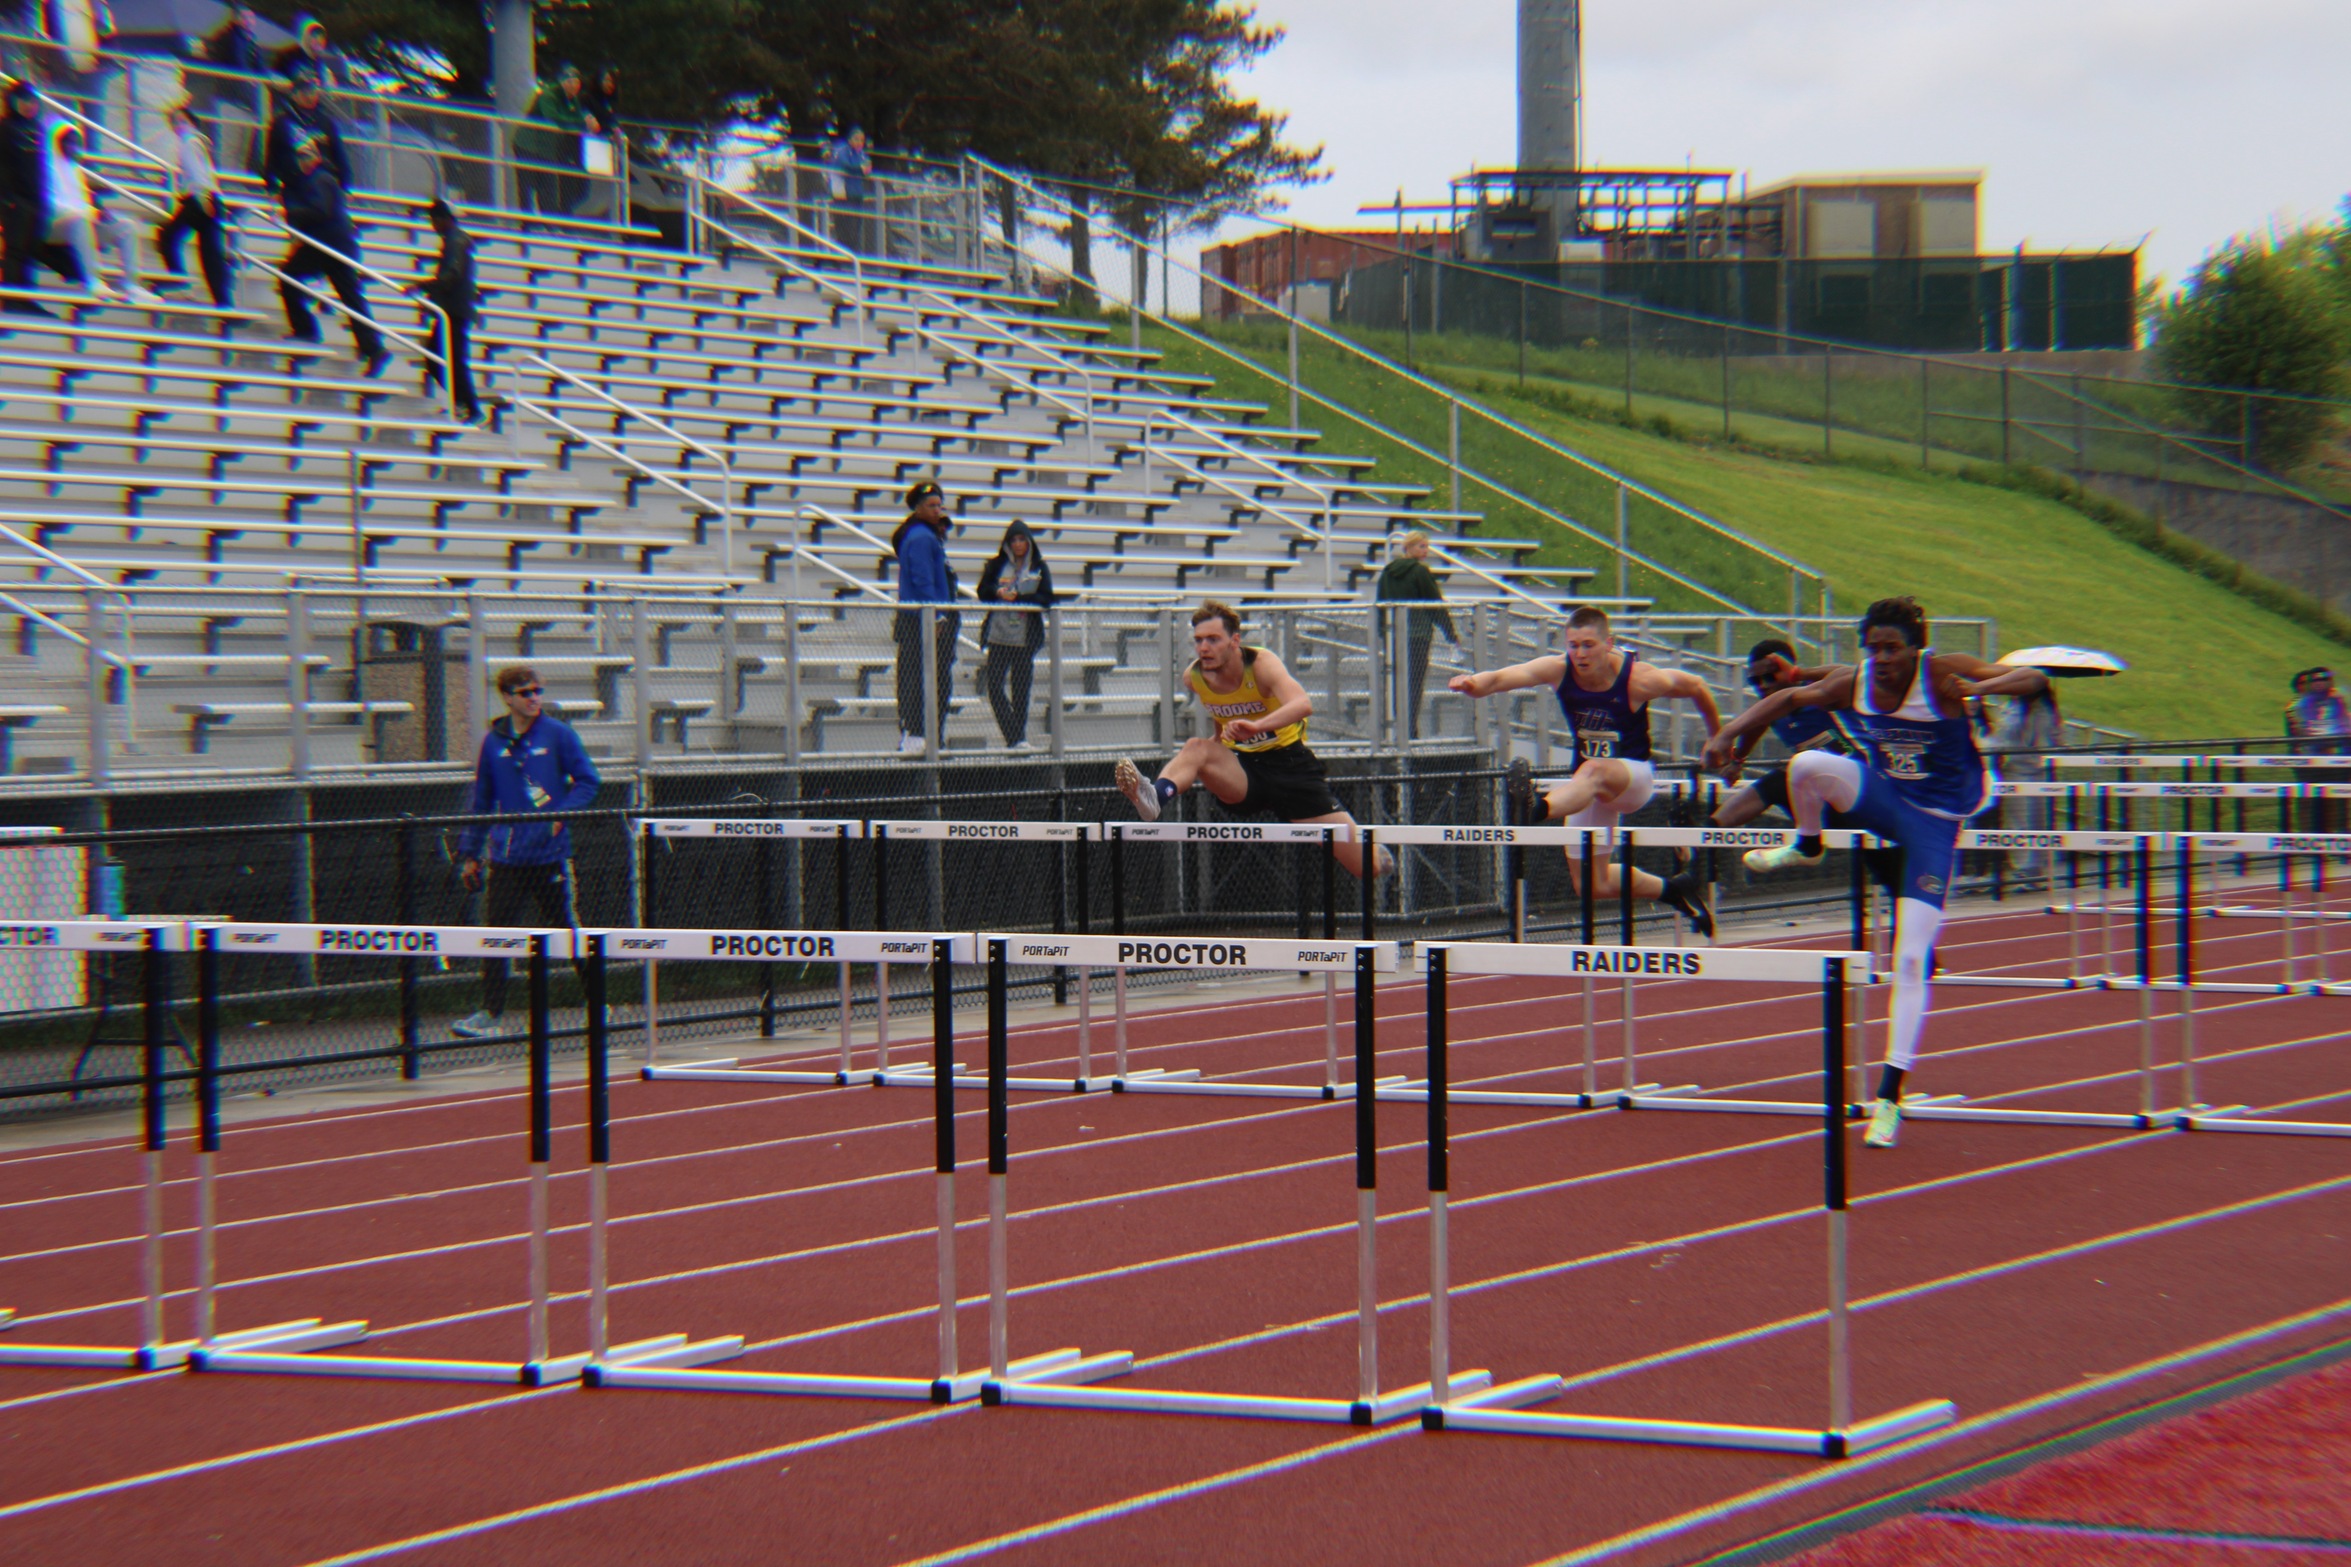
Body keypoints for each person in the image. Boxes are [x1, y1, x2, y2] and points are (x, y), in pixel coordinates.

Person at [1702, 596, 2048, 1149]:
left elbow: (2029, 677)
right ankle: (1809, 843)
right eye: (1874, 648)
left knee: (1910, 958)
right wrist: (1725, 735)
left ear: (1917, 647)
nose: (1882, 658)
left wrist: (1983, 691)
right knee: (1808, 765)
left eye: (1893, 648)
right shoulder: (1856, 681)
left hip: (1936, 821)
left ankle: (1889, 1097)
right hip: (1886, 796)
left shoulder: (1941, 673)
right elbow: (1792, 696)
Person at [1446, 604, 1721, 936]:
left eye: (1588, 645)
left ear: (1609, 643)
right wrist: (1475, 684)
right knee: (1592, 884)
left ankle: (1536, 806)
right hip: (1586, 787)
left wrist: (1717, 738)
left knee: (1593, 771)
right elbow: (1507, 676)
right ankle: (1674, 889)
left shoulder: (1638, 678)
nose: (1580, 654)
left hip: (1633, 777)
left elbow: (1697, 686)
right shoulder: (1559, 669)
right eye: (1573, 645)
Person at [1112, 601, 1394, 882]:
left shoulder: (1261, 664)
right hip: (1245, 772)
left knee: (1367, 867)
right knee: (1196, 747)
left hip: (1291, 770)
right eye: (1198, 640)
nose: (1203, 648)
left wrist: (1256, 726)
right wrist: (1216, 747)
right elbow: (1220, 718)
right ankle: (1154, 797)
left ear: (1235, 641)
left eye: (1213, 639)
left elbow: (1302, 704)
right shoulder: (1195, 677)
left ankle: (1376, 855)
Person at [451, 666, 600, 1039]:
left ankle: (597, 1002)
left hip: (549, 855)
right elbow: (482, 799)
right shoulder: (493, 741)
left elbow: (587, 781)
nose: (534, 698)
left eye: (538, 691)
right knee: (497, 934)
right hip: (506, 857)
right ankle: (490, 1012)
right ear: (507, 697)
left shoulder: (558, 734)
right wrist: (470, 852)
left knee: (564, 927)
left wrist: (560, 815)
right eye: (525, 692)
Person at [267, 76, 385, 374]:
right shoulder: (316, 176)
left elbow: (319, 209)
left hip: (328, 244)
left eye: (306, 155)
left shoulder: (321, 178)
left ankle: (327, 336)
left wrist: (289, 213)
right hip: (329, 244)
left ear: (316, 157)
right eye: (300, 155)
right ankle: (370, 347)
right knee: (300, 282)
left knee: (297, 281)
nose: (302, 159)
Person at [42, 120, 147, 298]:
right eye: (67, 142)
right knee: (80, 220)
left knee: (126, 226)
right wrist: (88, 212)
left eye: (74, 143)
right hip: (54, 225)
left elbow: (82, 203)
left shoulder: (75, 169)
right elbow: (49, 202)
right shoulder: (44, 166)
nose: (72, 147)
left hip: (82, 223)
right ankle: (93, 282)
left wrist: (97, 213)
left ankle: (131, 284)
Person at [891, 480, 959, 753]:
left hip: (931, 614)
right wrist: (937, 615)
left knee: (938, 677)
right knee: (917, 676)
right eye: (931, 505)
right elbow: (922, 580)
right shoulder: (920, 537)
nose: (937, 510)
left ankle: (931, 733)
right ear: (917, 508)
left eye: (939, 505)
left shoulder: (929, 536)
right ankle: (917, 732)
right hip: (921, 618)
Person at [975, 519, 1053, 750]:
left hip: (1024, 639)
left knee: (1021, 691)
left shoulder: (1039, 566)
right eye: (1014, 540)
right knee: (995, 686)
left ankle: (1018, 739)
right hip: (998, 636)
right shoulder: (997, 565)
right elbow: (982, 591)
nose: (1018, 544)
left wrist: (1020, 597)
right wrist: (998, 592)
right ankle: (1015, 737)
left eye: (1022, 540)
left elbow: (1047, 598)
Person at [1375, 531, 1458, 740]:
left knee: (1396, 682)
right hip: (1417, 635)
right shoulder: (1420, 572)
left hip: (1394, 636)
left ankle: (1398, 728)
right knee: (1414, 683)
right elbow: (1435, 604)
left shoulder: (1387, 572)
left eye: (1426, 546)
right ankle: (1410, 731)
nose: (1425, 550)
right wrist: (1451, 634)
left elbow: (1380, 605)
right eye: (1421, 546)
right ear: (1409, 547)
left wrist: (1382, 634)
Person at [153, 94, 230, 307]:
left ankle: (179, 281)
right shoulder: (200, 143)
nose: (177, 126)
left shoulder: (189, 142)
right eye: (174, 122)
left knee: (167, 236)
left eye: (180, 121)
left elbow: (197, 174)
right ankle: (222, 300)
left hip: (199, 198)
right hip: (209, 197)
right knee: (210, 253)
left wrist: (202, 198)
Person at [416, 196, 479, 421]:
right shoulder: (455, 241)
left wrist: (423, 286)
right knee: (440, 358)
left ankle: (469, 407)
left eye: (434, 220)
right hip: (454, 310)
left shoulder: (455, 242)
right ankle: (463, 404)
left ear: (444, 219)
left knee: (446, 359)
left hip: (454, 311)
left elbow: (451, 275)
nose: (432, 226)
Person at [196, 3, 268, 171]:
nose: (249, 21)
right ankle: (227, 183)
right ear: (235, 18)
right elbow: (238, 63)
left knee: (241, 149)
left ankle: (236, 182)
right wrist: (250, 80)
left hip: (246, 101)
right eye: (245, 17)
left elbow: (261, 68)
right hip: (230, 99)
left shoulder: (251, 40)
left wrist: (260, 80)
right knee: (228, 147)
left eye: (251, 17)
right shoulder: (231, 37)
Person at [0, 79, 51, 307]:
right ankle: (11, 298)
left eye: (33, 101)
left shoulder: (38, 130)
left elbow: (41, 167)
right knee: (16, 250)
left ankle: (27, 297)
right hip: (15, 201)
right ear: (13, 101)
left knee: (31, 250)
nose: (30, 105)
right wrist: (7, 199)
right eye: (24, 100)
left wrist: (44, 198)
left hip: (36, 200)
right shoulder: (6, 128)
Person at [515, 62, 590, 214]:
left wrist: (588, 123)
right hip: (527, 144)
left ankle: (549, 225)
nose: (574, 85)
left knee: (548, 187)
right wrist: (582, 122)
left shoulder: (572, 100)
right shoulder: (548, 94)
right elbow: (553, 117)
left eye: (577, 81)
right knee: (527, 186)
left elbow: (576, 119)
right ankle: (527, 225)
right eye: (569, 81)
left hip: (547, 148)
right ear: (561, 81)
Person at [826, 126, 870, 251]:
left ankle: (853, 253)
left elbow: (867, 168)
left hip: (857, 194)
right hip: (843, 194)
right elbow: (844, 165)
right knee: (844, 226)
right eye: (856, 139)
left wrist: (861, 169)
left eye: (862, 140)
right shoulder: (842, 150)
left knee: (856, 226)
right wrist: (859, 169)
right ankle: (841, 254)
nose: (859, 143)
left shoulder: (861, 154)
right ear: (849, 140)